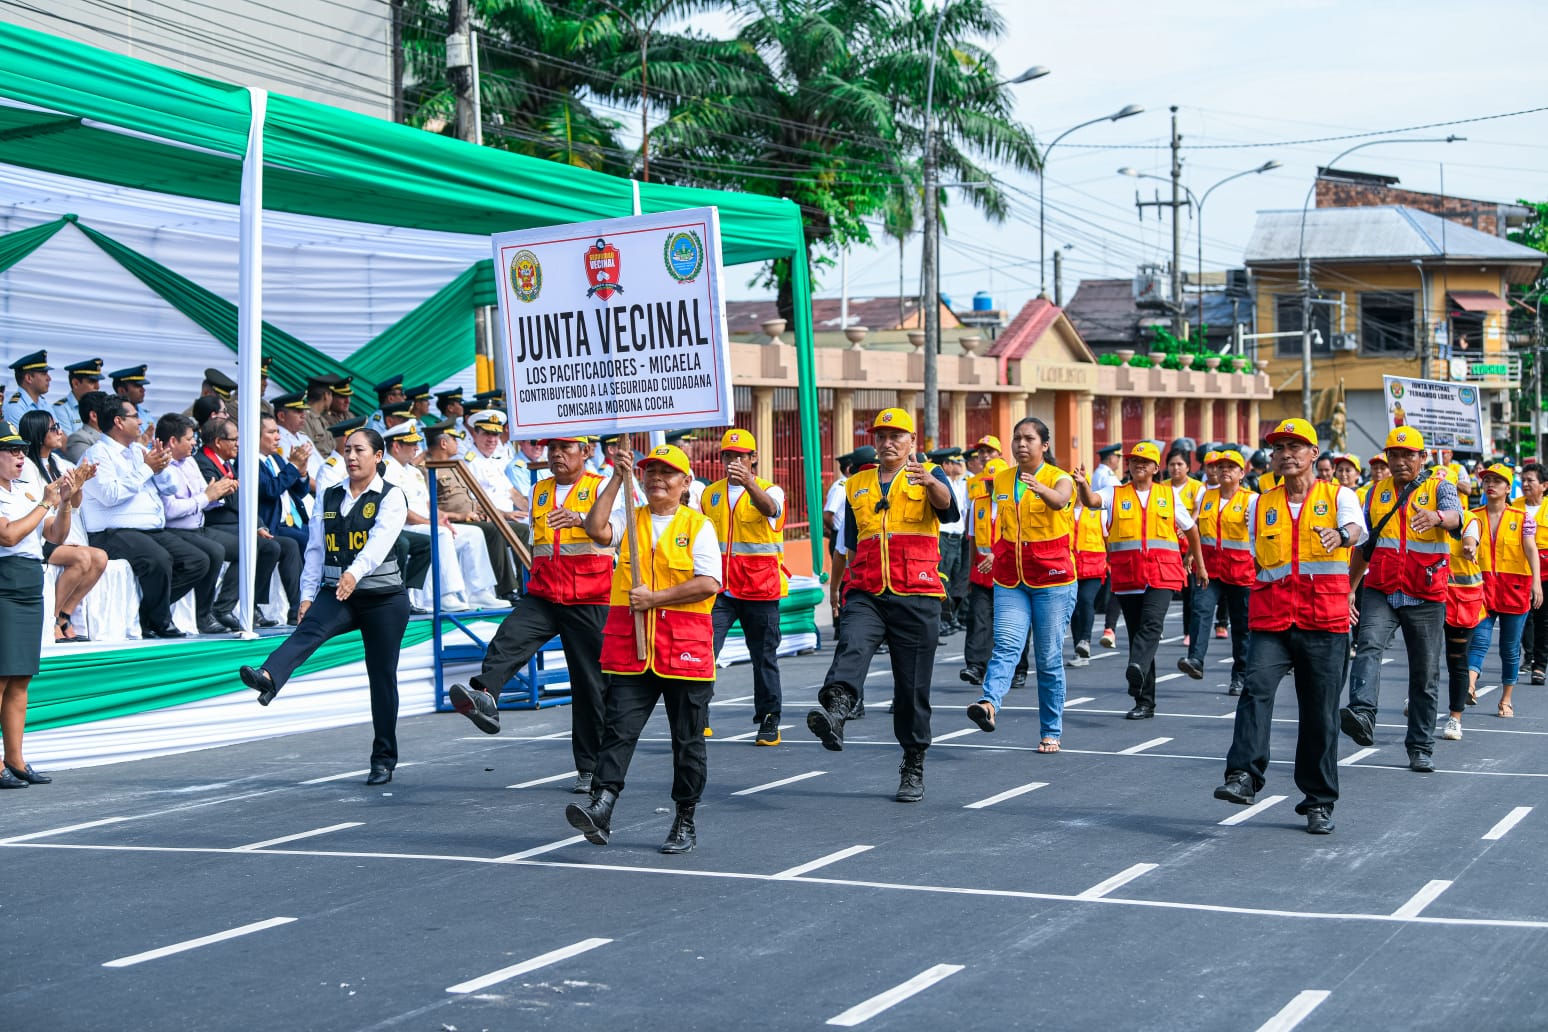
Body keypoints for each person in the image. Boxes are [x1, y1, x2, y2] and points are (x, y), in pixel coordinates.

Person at [565, 442, 720, 853]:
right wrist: (618, 477)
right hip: (632, 650)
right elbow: (596, 530)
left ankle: (684, 818)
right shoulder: (630, 520)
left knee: (687, 740)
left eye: (667, 473)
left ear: (686, 482)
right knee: (617, 731)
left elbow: (709, 583)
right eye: (650, 472)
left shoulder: (698, 526)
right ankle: (602, 806)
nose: (657, 480)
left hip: (684, 651)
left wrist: (655, 598)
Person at [1214, 417, 1365, 835]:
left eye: (1296, 446)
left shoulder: (1340, 496)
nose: (1286, 454)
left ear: (1315, 455)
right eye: (1279, 447)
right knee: (1255, 690)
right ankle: (1243, 776)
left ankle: (1319, 801)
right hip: (1272, 618)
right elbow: (1253, 555)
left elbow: (1357, 529)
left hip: (1325, 620)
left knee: (1319, 714)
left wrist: (1340, 535)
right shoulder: (1260, 503)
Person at [448, 435, 618, 793]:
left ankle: (591, 769)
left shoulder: (604, 487)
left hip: (590, 598)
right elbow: (537, 543)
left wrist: (582, 518)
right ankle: (485, 696)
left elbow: (616, 535)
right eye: (552, 448)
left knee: (590, 687)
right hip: (544, 593)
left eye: (565, 448)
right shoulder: (538, 490)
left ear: (586, 452)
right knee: (508, 637)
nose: (556, 455)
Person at [805, 408, 959, 802]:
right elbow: (850, 543)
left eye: (896, 436)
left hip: (917, 592)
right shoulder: (857, 484)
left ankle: (913, 762)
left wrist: (929, 480)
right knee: (852, 645)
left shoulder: (929, 475)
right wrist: (838, 588)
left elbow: (949, 510)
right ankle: (837, 709)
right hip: (867, 589)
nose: (888, 442)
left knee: (911, 688)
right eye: (881, 435)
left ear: (912, 442)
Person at [239, 429, 409, 785]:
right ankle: (269, 677)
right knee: (309, 629)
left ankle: (383, 759)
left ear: (378, 457)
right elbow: (315, 548)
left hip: (382, 598)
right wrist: (306, 594)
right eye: (348, 450)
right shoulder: (329, 495)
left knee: (381, 677)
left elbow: (379, 543)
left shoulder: (392, 497)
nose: (351, 456)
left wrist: (354, 573)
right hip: (339, 592)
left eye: (360, 450)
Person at [1341, 426, 1464, 774]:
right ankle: (1362, 713)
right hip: (1381, 588)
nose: (1400, 462)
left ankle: (1420, 747)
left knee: (1424, 674)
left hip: (1424, 593)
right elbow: (1366, 545)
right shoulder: (1375, 492)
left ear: (1422, 458)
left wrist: (1439, 517)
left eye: (1408, 455)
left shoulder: (1440, 487)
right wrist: (1350, 589)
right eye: (1394, 455)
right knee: (1367, 645)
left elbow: (1457, 517)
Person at [966, 417, 1076, 753]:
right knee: (1006, 646)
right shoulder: (1000, 479)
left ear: (1044, 445)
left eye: (1029, 438)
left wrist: (1041, 489)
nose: (1021, 444)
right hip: (1010, 578)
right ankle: (989, 705)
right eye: (1016, 438)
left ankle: (1051, 731)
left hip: (1052, 579)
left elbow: (1060, 501)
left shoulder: (1060, 478)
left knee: (1048, 658)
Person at [1075, 440, 1206, 720]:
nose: (1138, 465)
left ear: (1156, 468)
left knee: (1150, 626)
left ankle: (1136, 666)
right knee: (1137, 634)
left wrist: (1199, 565)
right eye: (1134, 461)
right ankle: (1145, 702)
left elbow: (1192, 530)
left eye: (1145, 461)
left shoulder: (1169, 496)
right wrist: (1082, 484)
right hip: (1128, 575)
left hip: (1163, 574)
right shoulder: (1114, 493)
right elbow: (1091, 501)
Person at [80, 398, 212, 639]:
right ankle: (160, 621)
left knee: (197, 560)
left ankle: (147, 614)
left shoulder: (139, 450)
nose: (141, 421)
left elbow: (170, 489)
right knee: (158, 559)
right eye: (134, 416)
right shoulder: (98, 454)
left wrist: (160, 468)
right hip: (113, 531)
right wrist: (146, 469)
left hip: (149, 529)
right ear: (118, 421)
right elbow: (110, 495)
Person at [0, 418, 80, 788]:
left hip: (30, 581)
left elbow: (54, 534)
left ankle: (15, 759)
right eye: (11, 450)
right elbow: (9, 535)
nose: (20, 455)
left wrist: (63, 504)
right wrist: (44, 503)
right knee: (1, 677)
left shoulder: (21, 489)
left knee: (20, 677)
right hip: (4, 581)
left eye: (21, 449)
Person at [702, 429, 787, 745]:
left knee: (763, 656)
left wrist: (749, 482)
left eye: (741, 456)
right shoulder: (710, 494)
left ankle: (768, 720)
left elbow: (770, 510)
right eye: (728, 456)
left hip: (760, 590)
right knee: (704, 651)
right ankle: (699, 715)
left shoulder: (771, 490)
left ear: (754, 458)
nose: (734, 461)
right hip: (721, 590)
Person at [383, 421, 502, 610]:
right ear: (396, 446)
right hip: (405, 527)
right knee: (442, 534)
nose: (416, 448)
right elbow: (400, 511)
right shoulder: (386, 469)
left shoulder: (413, 471)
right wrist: (433, 523)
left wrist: (441, 518)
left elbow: (428, 503)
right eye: (411, 444)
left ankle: (480, 593)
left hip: (423, 523)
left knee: (473, 534)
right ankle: (446, 594)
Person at [16, 412, 106, 642]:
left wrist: (79, 484)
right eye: (53, 428)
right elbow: (39, 505)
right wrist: (61, 495)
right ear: (38, 435)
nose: (60, 432)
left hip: (57, 533)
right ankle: (55, 619)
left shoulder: (60, 463)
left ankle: (65, 614)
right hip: (38, 535)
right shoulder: (26, 466)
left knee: (100, 558)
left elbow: (74, 506)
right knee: (83, 558)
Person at [195, 415, 288, 628]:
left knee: (273, 547)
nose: (239, 443)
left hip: (234, 523)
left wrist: (258, 525)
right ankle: (223, 608)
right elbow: (231, 498)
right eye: (234, 439)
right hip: (215, 524)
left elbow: (241, 497)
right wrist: (249, 524)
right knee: (250, 545)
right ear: (218, 442)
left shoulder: (225, 463)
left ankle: (251, 604)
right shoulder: (203, 463)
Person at [1466, 463, 1542, 721]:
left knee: (1509, 649)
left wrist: (1536, 583)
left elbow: (1531, 549)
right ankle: (1470, 685)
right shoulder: (1473, 516)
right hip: (1482, 589)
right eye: (1487, 480)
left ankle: (1506, 699)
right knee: (1478, 640)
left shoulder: (1522, 518)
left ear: (1508, 488)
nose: (1490, 485)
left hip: (1515, 589)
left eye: (1497, 481)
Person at [154, 413, 237, 635]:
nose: (194, 443)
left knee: (249, 548)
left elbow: (205, 496)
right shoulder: (162, 466)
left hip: (198, 526)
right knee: (214, 552)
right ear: (173, 441)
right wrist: (207, 498)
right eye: (190, 439)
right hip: (175, 529)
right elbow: (169, 511)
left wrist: (219, 492)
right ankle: (203, 615)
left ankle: (223, 609)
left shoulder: (190, 461)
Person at [1181, 449, 1254, 696]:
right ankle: (1196, 660)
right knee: (1200, 610)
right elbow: (1199, 529)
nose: (1224, 470)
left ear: (1242, 474)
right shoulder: (1206, 497)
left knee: (1242, 626)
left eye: (1231, 467)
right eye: (1220, 466)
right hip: (1210, 570)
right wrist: (1192, 555)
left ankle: (1240, 676)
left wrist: (1252, 520)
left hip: (1241, 572)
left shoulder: (1252, 500)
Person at [961, 458, 1028, 687]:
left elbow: (1022, 538)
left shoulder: (1018, 504)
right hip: (981, 575)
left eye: (995, 482)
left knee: (1013, 623)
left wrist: (997, 555)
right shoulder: (977, 505)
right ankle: (976, 666)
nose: (991, 487)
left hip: (1011, 573)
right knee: (978, 619)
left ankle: (1019, 668)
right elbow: (972, 542)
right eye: (988, 483)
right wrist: (971, 571)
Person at [1440, 506, 1485, 744]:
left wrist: (1469, 547)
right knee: (1421, 656)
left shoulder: (1469, 519)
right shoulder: (1419, 514)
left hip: (1462, 600)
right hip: (1427, 595)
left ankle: (1455, 717)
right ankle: (1416, 700)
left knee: (1457, 661)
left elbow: (1470, 539)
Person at [1510, 462, 1548, 685]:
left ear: (1544, 485)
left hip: (1545, 571)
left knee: (1543, 618)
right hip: (1519, 569)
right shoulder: (1515, 506)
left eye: (1530, 481)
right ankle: (1529, 654)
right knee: (1524, 617)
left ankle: (1540, 665)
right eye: (1523, 480)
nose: (1525, 484)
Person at [1068, 482, 1108, 669]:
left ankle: (1085, 640)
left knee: (1085, 600)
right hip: (1070, 567)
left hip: (1094, 567)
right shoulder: (1062, 511)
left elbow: (1108, 538)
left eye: (1080, 486)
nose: (1076, 491)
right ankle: (1079, 648)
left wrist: (1111, 563)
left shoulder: (1098, 512)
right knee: (1073, 606)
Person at [931, 448, 969, 636]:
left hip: (957, 537)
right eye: (955, 462)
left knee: (954, 578)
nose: (959, 466)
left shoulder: (958, 484)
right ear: (945, 465)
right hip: (944, 537)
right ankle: (941, 619)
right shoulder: (940, 483)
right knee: (942, 578)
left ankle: (950, 616)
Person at [1167, 449, 1202, 647]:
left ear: (1188, 467)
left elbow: (1197, 510)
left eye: (1180, 464)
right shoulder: (1162, 487)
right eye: (1172, 464)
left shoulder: (1197, 487)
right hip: (1168, 545)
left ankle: (1188, 631)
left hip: (1188, 547)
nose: (1176, 468)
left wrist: (1186, 526)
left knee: (1190, 592)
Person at [50, 358, 102, 437]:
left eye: (98, 382)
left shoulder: (100, 407)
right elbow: (68, 444)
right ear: (76, 383)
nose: (98, 387)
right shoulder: (61, 409)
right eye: (92, 382)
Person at [110, 365, 157, 445]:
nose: (143, 389)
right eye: (137, 386)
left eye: (142, 386)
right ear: (122, 390)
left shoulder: (146, 415)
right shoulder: (112, 417)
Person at [4, 350, 52, 428]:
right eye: (44, 374)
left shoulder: (44, 404)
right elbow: (25, 440)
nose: (49, 378)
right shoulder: (14, 408)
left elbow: (60, 435)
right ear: (29, 378)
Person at [64, 390, 112, 463]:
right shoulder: (78, 439)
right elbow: (92, 468)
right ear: (93, 416)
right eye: (109, 412)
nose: (113, 416)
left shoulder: (113, 434)